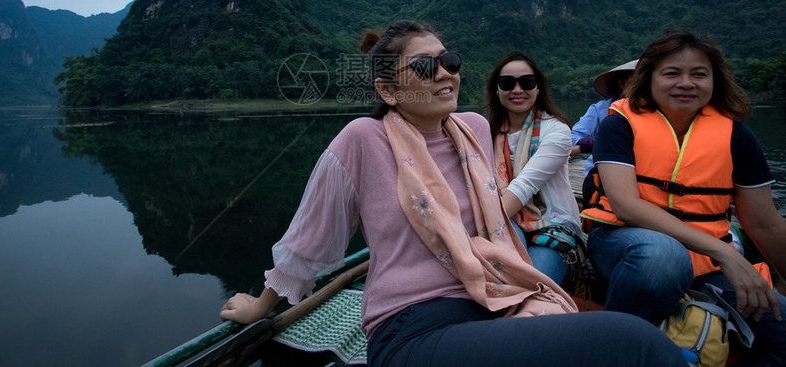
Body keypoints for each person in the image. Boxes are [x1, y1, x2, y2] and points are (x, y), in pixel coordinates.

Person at [221, 20, 687, 367]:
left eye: (451, 61)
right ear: (387, 89)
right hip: (413, 327)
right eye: (426, 67)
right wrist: (259, 307)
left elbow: (489, 221)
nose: (446, 74)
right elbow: (310, 242)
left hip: (496, 299)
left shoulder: (475, 128)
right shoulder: (362, 139)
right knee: (634, 343)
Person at [581, 30, 786, 364]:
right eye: (672, 73)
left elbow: (763, 223)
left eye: (699, 74)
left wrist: (723, 255)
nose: (686, 83)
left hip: (705, 262)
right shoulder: (620, 125)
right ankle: (609, 353)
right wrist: (726, 252)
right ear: (650, 79)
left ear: (715, 81)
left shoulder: (736, 136)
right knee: (662, 257)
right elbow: (625, 204)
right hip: (626, 244)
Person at [486, 52, 583, 286]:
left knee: (533, 286)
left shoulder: (557, 131)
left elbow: (525, 184)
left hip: (552, 224)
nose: (517, 89)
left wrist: (482, 228)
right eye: (507, 83)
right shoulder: (484, 133)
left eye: (527, 82)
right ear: (497, 90)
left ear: (538, 88)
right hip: (506, 220)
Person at [571, 59, 638, 179]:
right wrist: (583, 142)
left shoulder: (658, 111)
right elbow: (573, 136)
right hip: (600, 173)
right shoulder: (600, 109)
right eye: (636, 81)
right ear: (622, 83)